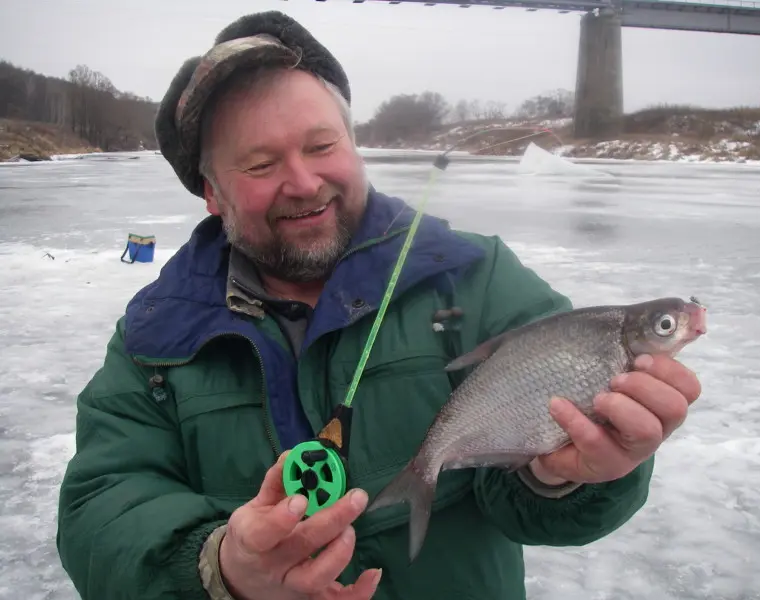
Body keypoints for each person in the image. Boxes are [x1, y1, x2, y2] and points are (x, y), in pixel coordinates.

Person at [55, 10, 702, 600]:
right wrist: (218, 568)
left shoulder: (476, 278)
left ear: (353, 143)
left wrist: (576, 475)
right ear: (213, 194)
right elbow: (98, 510)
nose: (304, 182)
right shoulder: (156, 336)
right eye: (259, 164)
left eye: (321, 146)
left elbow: (532, 506)